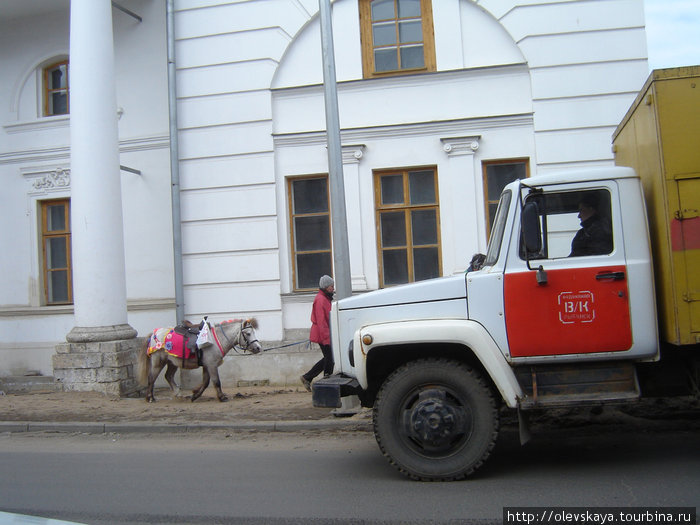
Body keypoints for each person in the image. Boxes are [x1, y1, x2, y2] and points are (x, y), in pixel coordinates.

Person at [300, 275, 335, 392]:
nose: (333, 288)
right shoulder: (321, 300)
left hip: (323, 333)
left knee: (328, 358)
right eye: (331, 286)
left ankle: (308, 377)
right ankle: (326, 381)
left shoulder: (324, 298)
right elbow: (322, 322)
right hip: (322, 334)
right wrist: (327, 339)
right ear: (326, 287)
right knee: (330, 358)